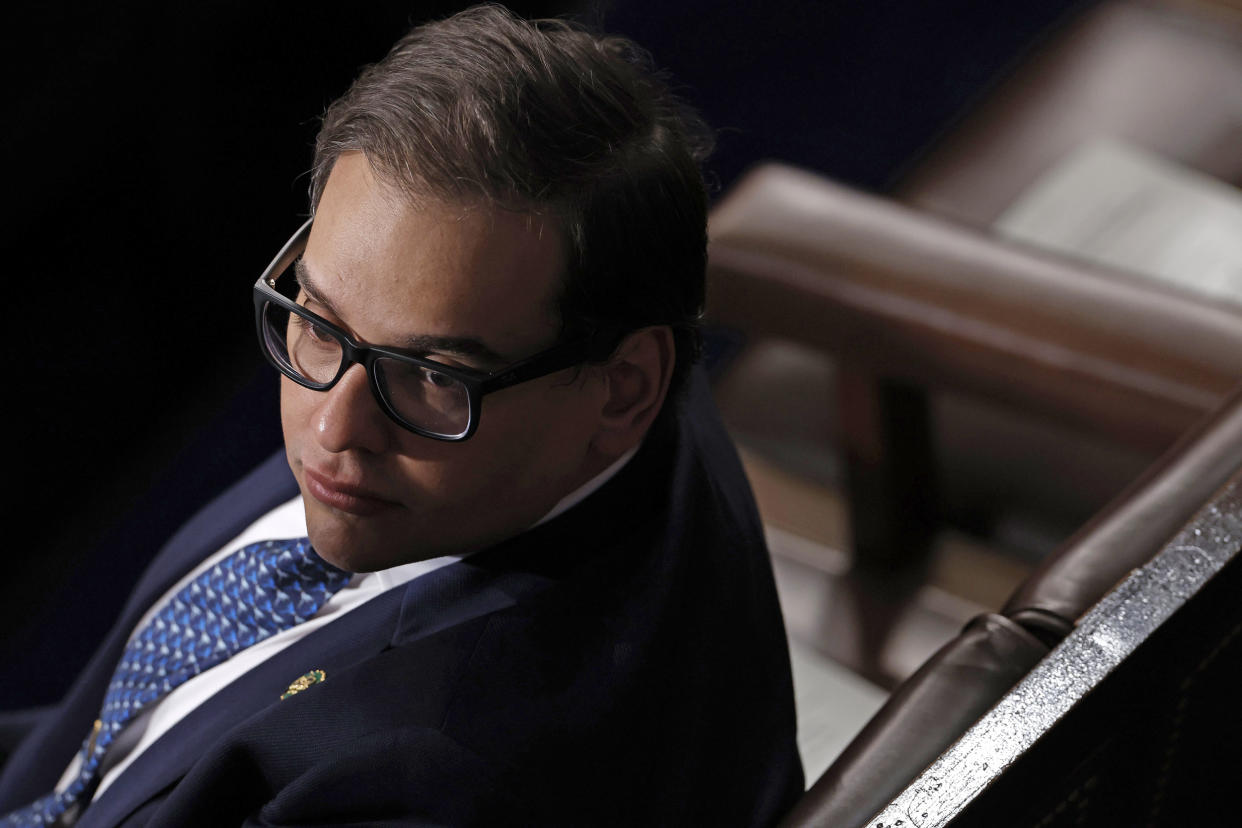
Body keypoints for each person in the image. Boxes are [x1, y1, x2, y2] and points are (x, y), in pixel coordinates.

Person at [0, 5, 803, 825]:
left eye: (427, 375)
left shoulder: (438, 779)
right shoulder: (597, 369)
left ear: (624, 389)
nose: (331, 430)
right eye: (316, 318)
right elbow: (106, 751)